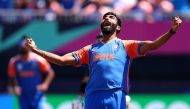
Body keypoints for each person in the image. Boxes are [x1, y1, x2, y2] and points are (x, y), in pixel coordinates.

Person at [25, 12, 182, 109]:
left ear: (118, 28)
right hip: (93, 97)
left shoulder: (126, 46)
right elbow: (61, 60)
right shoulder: (90, 49)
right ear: (101, 25)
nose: (107, 18)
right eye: (105, 17)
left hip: (116, 96)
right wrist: (36, 50)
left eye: (111, 17)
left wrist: (172, 31)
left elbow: (153, 45)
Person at [8, 36, 55, 109]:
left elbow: (50, 73)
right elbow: (11, 76)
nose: (23, 47)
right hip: (23, 96)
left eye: (25, 45)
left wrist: (45, 84)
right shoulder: (14, 62)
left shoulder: (38, 60)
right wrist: (15, 86)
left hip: (37, 95)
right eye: (21, 46)